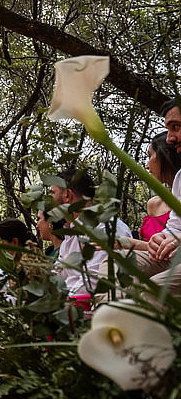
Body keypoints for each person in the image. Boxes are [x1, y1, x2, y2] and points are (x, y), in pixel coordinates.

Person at [50, 166, 132, 305]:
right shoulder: (71, 235)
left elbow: (94, 282)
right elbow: (59, 273)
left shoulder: (106, 228)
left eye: (52, 193)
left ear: (68, 195)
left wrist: (59, 302)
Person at [137, 99, 181, 294]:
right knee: (115, 264)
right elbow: (176, 227)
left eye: (176, 127)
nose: (169, 138)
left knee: (153, 289)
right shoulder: (180, 179)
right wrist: (162, 237)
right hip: (173, 257)